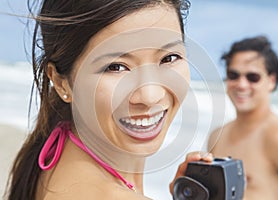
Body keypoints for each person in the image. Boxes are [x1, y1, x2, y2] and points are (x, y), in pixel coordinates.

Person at [2, 0, 215, 199]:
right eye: (116, 67)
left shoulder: (55, 153)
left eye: (169, 58)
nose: (150, 97)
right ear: (60, 82)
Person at [207, 35, 278, 200]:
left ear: (271, 81)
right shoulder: (217, 135)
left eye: (253, 77)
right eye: (233, 75)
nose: (241, 84)